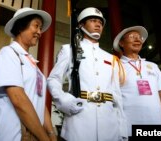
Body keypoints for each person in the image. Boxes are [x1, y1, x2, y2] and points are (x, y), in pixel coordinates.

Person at [47, 7, 128, 141]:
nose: (98, 25)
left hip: (109, 123)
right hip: (80, 120)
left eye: (101, 23)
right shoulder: (69, 50)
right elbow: (53, 79)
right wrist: (63, 100)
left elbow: (116, 94)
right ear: (81, 25)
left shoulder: (110, 58)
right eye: (93, 20)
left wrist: (122, 128)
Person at [0, 7, 56, 141]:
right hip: (11, 136)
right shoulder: (8, 53)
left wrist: (51, 134)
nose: (39, 32)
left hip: (34, 136)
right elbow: (18, 99)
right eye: (36, 26)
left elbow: (40, 103)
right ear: (20, 27)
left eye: (41, 28)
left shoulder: (33, 64)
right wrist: (44, 138)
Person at [113, 26, 161, 137]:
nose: (137, 39)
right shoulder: (116, 66)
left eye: (139, 37)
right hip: (130, 128)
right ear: (121, 43)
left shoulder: (153, 66)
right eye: (132, 37)